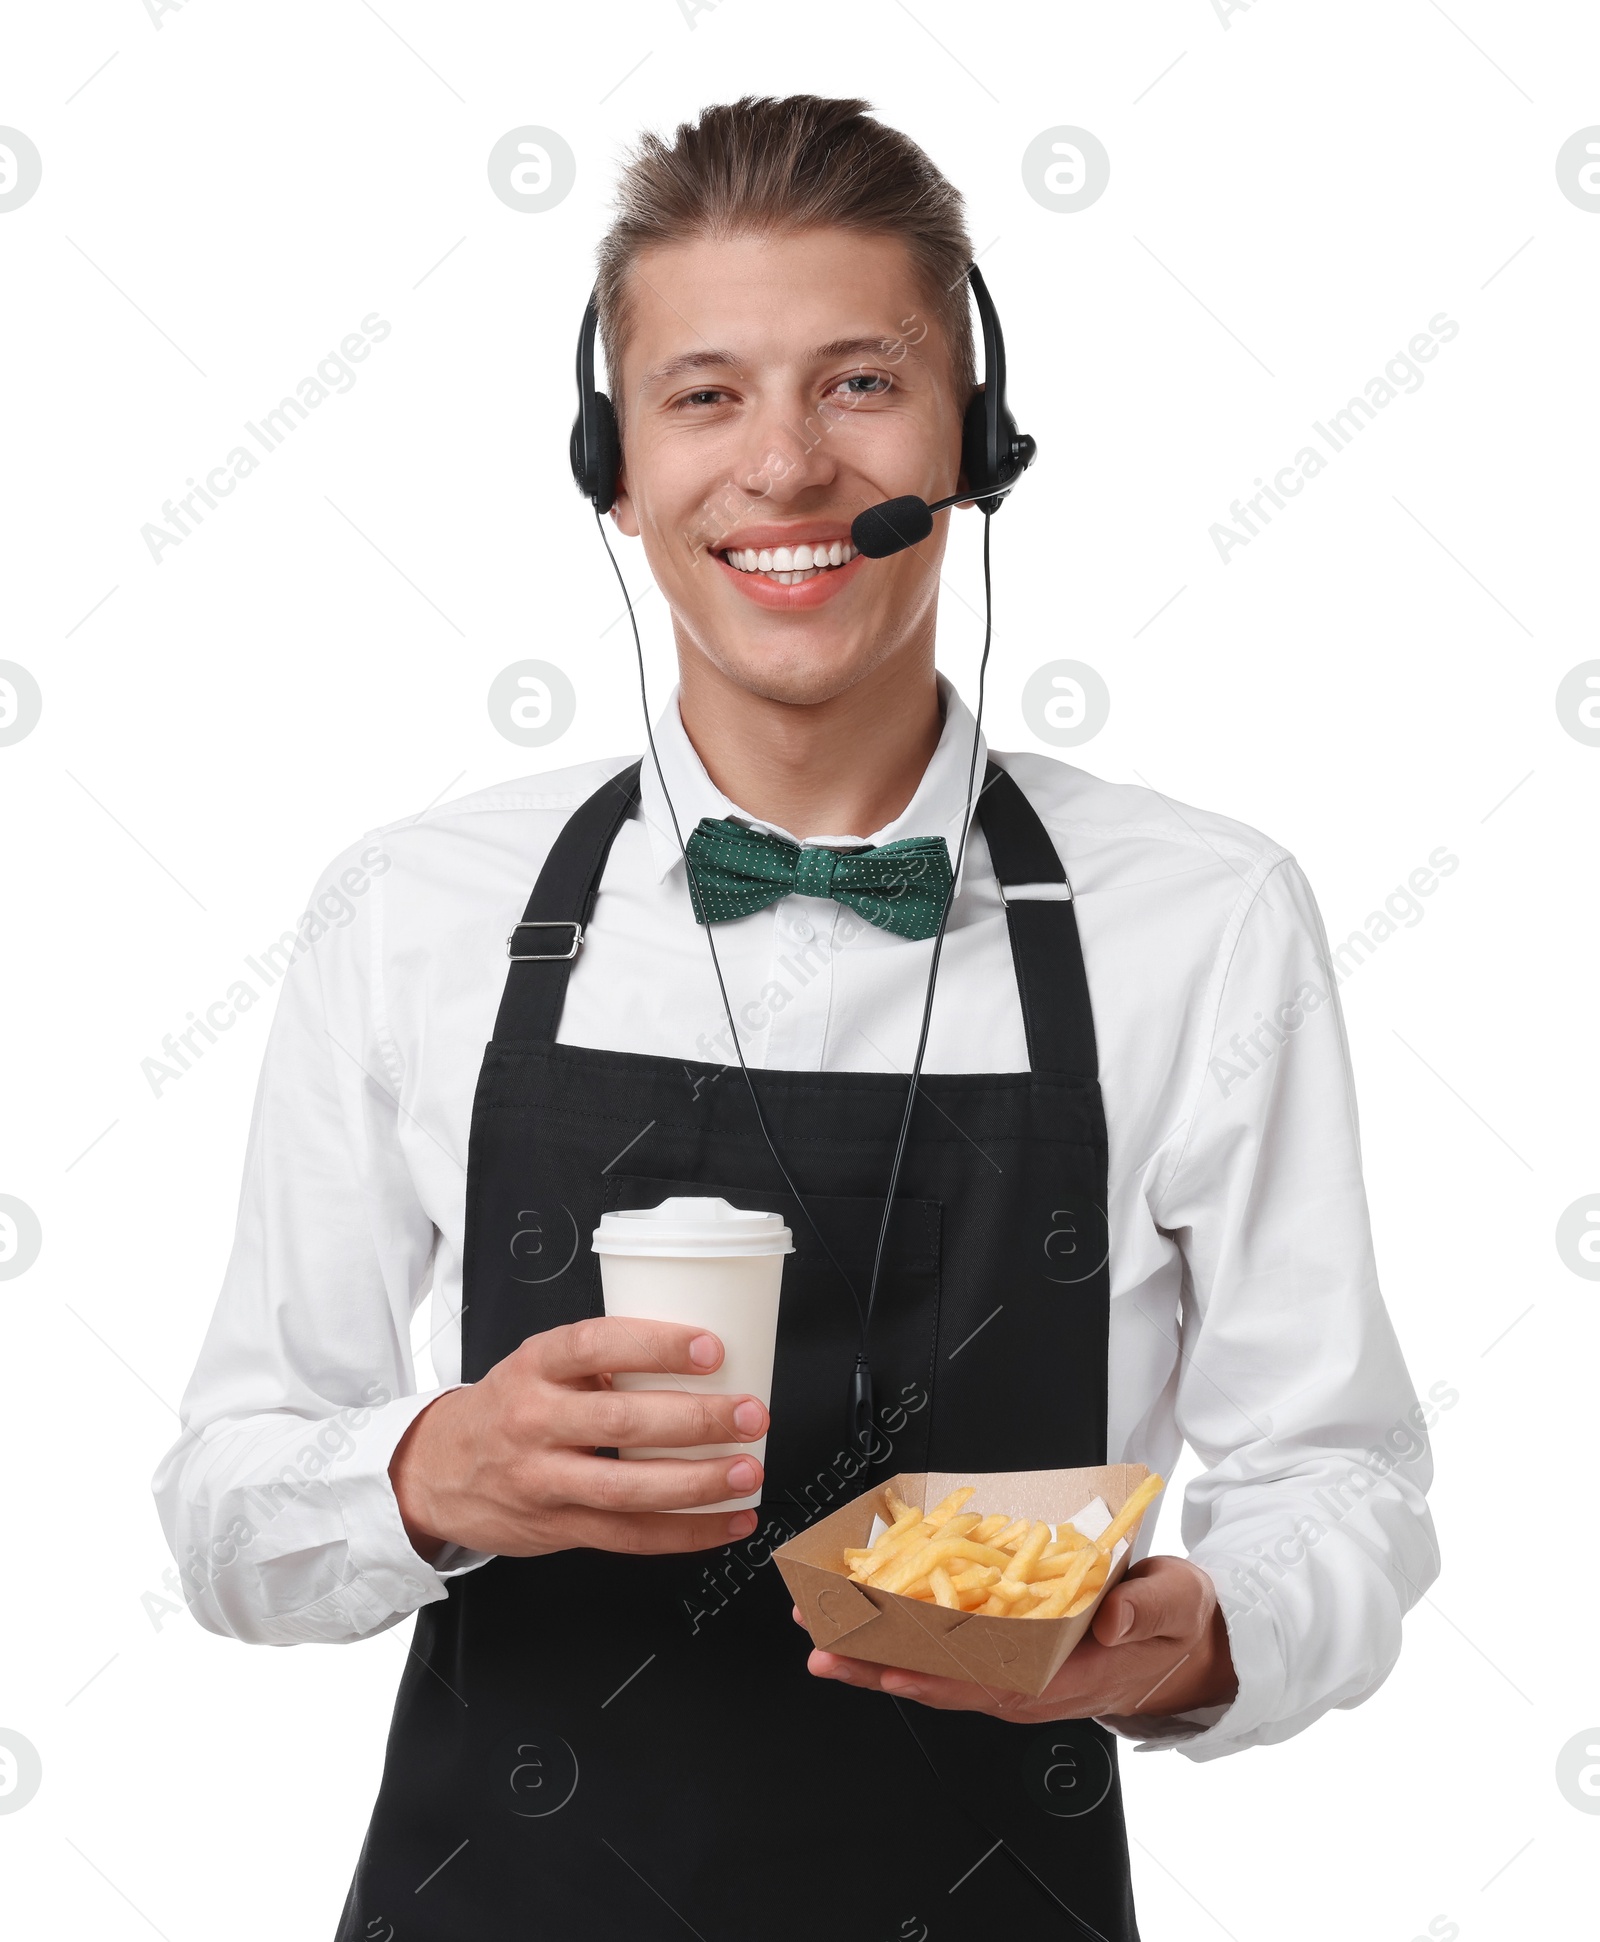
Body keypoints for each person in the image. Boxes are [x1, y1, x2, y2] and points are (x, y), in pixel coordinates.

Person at [154, 94, 1441, 1942]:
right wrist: (431, 1472)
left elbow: (1343, 1472)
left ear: (974, 443)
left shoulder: (1203, 919)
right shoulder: (413, 911)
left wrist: (1197, 1638)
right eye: (703, 395)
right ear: (612, 463)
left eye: (861, 383)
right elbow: (222, 1500)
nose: (782, 467)